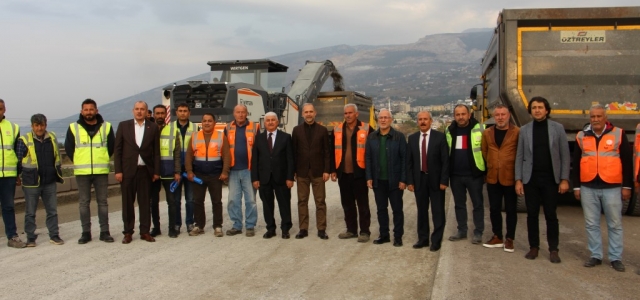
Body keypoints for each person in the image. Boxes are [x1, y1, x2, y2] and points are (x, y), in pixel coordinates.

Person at [572, 104, 632, 272]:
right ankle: (595, 255)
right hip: (588, 187)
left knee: (615, 224)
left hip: (612, 187)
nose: (596, 119)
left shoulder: (618, 134)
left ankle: (615, 257)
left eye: (599, 116)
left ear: (605, 118)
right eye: (593, 117)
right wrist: (576, 187)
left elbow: (627, 162)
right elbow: (576, 164)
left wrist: (626, 186)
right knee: (591, 223)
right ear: (589, 118)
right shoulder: (581, 136)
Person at [515, 96, 570, 263]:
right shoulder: (524, 130)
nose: (537, 110)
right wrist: (518, 179)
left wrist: (564, 179)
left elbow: (565, 155)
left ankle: (553, 249)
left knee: (551, 214)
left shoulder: (557, 128)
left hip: (550, 179)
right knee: (532, 214)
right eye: (534, 108)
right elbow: (520, 156)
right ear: (530, 111)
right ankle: (534, 247)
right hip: (531, 179)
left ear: (546, 110)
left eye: (540, 107)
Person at [64, 98, 115, 244]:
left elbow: (111, 146)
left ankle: (105, 232)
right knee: (83, 203)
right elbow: (69, 148)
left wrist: (102, 158)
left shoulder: (107, 127)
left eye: (91, 109)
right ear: (81, 111)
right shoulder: (74, 127)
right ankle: (85, 233)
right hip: (82, 172)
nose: (88, 112)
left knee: (103, 202)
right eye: (85, 110)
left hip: (101, 171)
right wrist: (80, 159)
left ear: (96, 111)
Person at [114, 101, 161, 244]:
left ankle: (145, 231)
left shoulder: (152, 127)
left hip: (145, 171)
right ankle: (128, 232)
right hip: (128, 171)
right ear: (132, 111)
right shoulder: (124, 126)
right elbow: (118, 150)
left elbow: (156, 152)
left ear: (147, 112)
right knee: (127, 203)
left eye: (142, 109)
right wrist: (118, 170)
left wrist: (156, 171)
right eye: (137, 109)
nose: (139, 112)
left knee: (145, 202)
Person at [16, 114, 65, 247]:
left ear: (45, 125)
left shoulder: (52, 138)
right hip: (31, 182)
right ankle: (31, 238)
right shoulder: (24, 140)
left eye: (42, 125)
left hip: (49, 181)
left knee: (52, 211)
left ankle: (54, 235)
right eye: (37, 125)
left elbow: (57, 157)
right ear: (32, 126)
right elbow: (18, 160)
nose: (39, 128)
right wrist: (17, 176)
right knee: (30, 212)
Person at [407, 111, 449, 252]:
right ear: (417, 121)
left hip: (436, 181)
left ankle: (436, 241)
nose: (423, 122)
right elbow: (410, 162)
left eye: (425, 119)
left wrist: (444, 180)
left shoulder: (440, 137)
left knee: (437, 211)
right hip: (419, 180)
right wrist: (410, 181)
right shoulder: (412, 139)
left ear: (431, 121)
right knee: (422, 211)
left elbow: (445, 162)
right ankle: (423, 239)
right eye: (420, 119)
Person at [330, 104, 373, 242]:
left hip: (359, 173)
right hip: (343, 173)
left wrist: (370, 173)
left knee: (362, 204)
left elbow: (372, 152)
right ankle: (351, 230)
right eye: (345, 113)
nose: (348, 115)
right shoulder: (337, 130)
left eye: (350, 113)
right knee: (347, 204)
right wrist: (333, 170)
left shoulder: (366, 129)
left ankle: (365, 231)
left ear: (356, 114)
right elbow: (332, 152)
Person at [480, 104, 520, 252]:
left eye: (503, 114)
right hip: (492, 177)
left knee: (511, 209)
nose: (500, 117)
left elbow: (520, 153)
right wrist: (491, 164)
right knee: (494, 208)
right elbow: (484, 151)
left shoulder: (517, 132)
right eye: (497, 115)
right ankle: (497, 235)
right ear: (494, 116)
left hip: (510, 176)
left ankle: (510, 238)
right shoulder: (487, 133)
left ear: (508, 116)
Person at [365, 109, 407, 247]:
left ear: (391, 119)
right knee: (381, 209)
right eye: (380, 118)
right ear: (378, 120)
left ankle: (398, 236)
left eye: (385, 117)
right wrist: (369, 177)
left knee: (397, 209)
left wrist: (403, 179)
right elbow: (368, 158)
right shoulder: (372, 137)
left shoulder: (399, 137)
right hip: (378, 181)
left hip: (395, 181)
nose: (383, 120)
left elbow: (404, 160)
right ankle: (384, 235)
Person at [445, 104, 486, 244]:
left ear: (469, 115)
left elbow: (486, 151)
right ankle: (462, 230)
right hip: (456, 175)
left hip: (474, 175)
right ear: (454, 116)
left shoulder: (480, 129)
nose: (461, 117)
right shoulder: (449, 131)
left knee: (477, 204)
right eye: (458, 114)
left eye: (463, 114)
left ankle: (478, 232)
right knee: (459, 204)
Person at [186, 113, 230, 237]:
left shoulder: (221, 136)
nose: (207, 123)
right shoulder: (195, 136)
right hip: (198, 174)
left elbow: (226, 155)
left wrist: (225, 172)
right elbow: (189, 155)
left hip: (215, 175)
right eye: (204, 120)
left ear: (214, 123)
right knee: (198, 201)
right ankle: (199, 225)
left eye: (209, 121)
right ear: (201, 122)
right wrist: (189, 171)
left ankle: (217, 226)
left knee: (216, 201)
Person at [252, 112, 294, 239]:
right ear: (264, 123)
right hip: (264, 178)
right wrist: (255, 178)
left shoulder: (286, 137)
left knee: (284, 204)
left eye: (273, 120)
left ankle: (285, 228)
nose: (270, 122)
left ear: (277, 122)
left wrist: (290, 177)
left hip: (281, 177)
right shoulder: (258, 138)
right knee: (267, 205)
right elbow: (255, 159)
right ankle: (270, 228)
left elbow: (290, 159)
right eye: (268, 120)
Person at [292, 103, 330, 240]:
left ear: (315, 113)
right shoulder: (296, 131)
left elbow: (327, 152)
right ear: (302, 114)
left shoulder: (322, 130)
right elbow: (293, 153)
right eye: (306, 112)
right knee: (302, 201)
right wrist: (293, 171)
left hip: (318, 171)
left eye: (311, 112)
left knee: (320, 201)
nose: (308, 114)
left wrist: (327, 170)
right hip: (301, 171)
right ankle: (303, 229)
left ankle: (321, 229)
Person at [224, 104, 259, 237]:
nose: (240, 115)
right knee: (233, 199)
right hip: (233, 170)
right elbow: (225, 150)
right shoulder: (228, 128)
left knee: (251, 200)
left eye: (242, 112)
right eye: (238, 112)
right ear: (234, 114)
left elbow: (258, 149)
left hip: (249, 170)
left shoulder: (254, 127)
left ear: (247, 113)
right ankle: (237, 225)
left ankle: (250, 225)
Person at [0, 99, 26, 248]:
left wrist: (17, 174)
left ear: (5, 110)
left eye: (1, 109)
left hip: (9, 175)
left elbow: (18, 153)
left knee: (8, 207)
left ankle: (12, 237)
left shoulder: (13, 127)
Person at [154, 104, 182, 238]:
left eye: (162, 113)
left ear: (166, 115)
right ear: (154, 115)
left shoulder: (173, 131)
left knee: (172, 202)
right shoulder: (148, 130)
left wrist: (177, 171)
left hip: (169, 172)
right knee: (153, 202)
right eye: (157, 113)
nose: (160, 116)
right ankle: (156, 228)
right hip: (153, 173)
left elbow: (177, 153)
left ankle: (172, 228)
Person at [172, 103, 198, 234]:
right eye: (180, 111)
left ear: (189, 113)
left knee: (190, 198)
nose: (183, 113)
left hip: (190, 169)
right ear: (176, 112)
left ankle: (189, 222)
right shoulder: (170, 128)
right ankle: (176, 224)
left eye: (185, 111)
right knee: (176, 200)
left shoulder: (195, 127)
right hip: (175, 169)